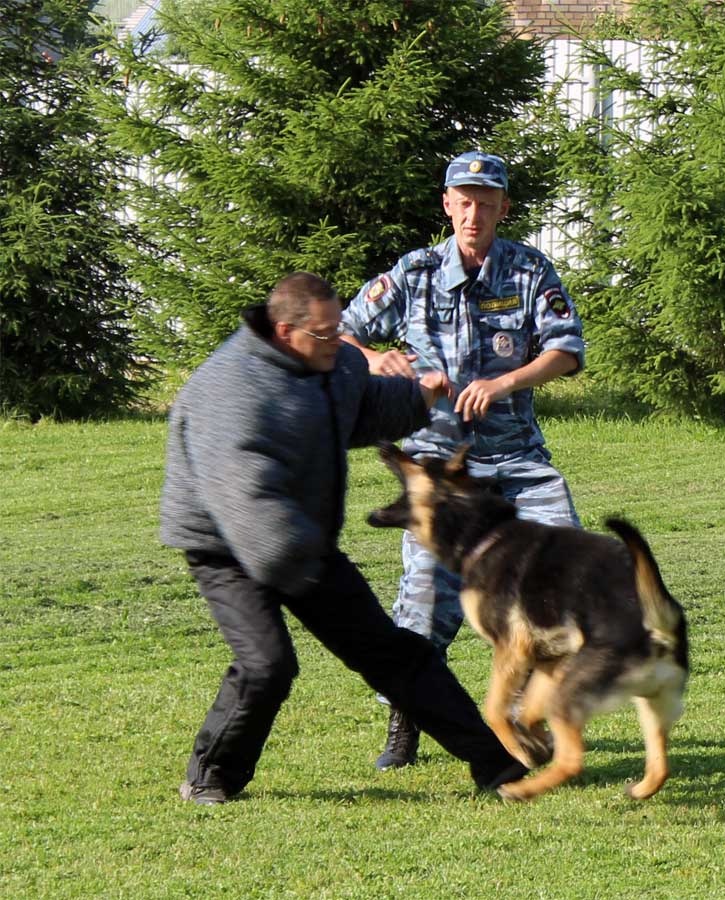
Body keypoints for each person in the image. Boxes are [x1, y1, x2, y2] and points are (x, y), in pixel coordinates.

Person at [160, 271, 528, 805]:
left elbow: (361, 405)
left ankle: (496, 766)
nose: (342, 341)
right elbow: (244, 496)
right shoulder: (230, 391)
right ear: (287, 332)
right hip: (228, 545)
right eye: (328, 334)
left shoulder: (329, 362)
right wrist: (304, 564)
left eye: (340, 330)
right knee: (268, 663)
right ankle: (209, 775)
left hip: (301, 538)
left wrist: (418, 398)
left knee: (393, 652)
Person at [340, 151, 586, 770]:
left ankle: (530, 719)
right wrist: (378, 361)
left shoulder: (529, 269)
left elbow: (566, 350)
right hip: (438, 474)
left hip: (518, 463)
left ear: (503, 208)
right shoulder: (416, 272)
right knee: (424, 604)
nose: (475, 212)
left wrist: (505, 384)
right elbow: (341, 332)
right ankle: (407, 720)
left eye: (487, 201)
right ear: (448, 206)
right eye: (464, 201)